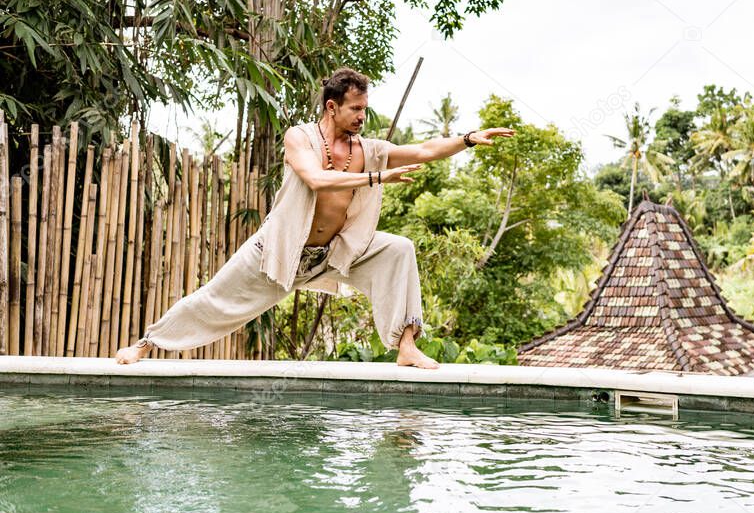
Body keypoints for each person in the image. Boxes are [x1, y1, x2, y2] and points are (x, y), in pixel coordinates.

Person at [115, 67, 515, 368]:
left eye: (365, 109)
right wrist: (378, 177)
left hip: (333, 253)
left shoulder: (369, 148)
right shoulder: (300, 137)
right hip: (280, 250)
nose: (362, 116)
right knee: (216, 299)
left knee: (398, 250)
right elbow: (317, 179)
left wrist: (466, 140)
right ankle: (147, 344)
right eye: (355, 109)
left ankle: (406, 346)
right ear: (332, 106)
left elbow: (425, 148)